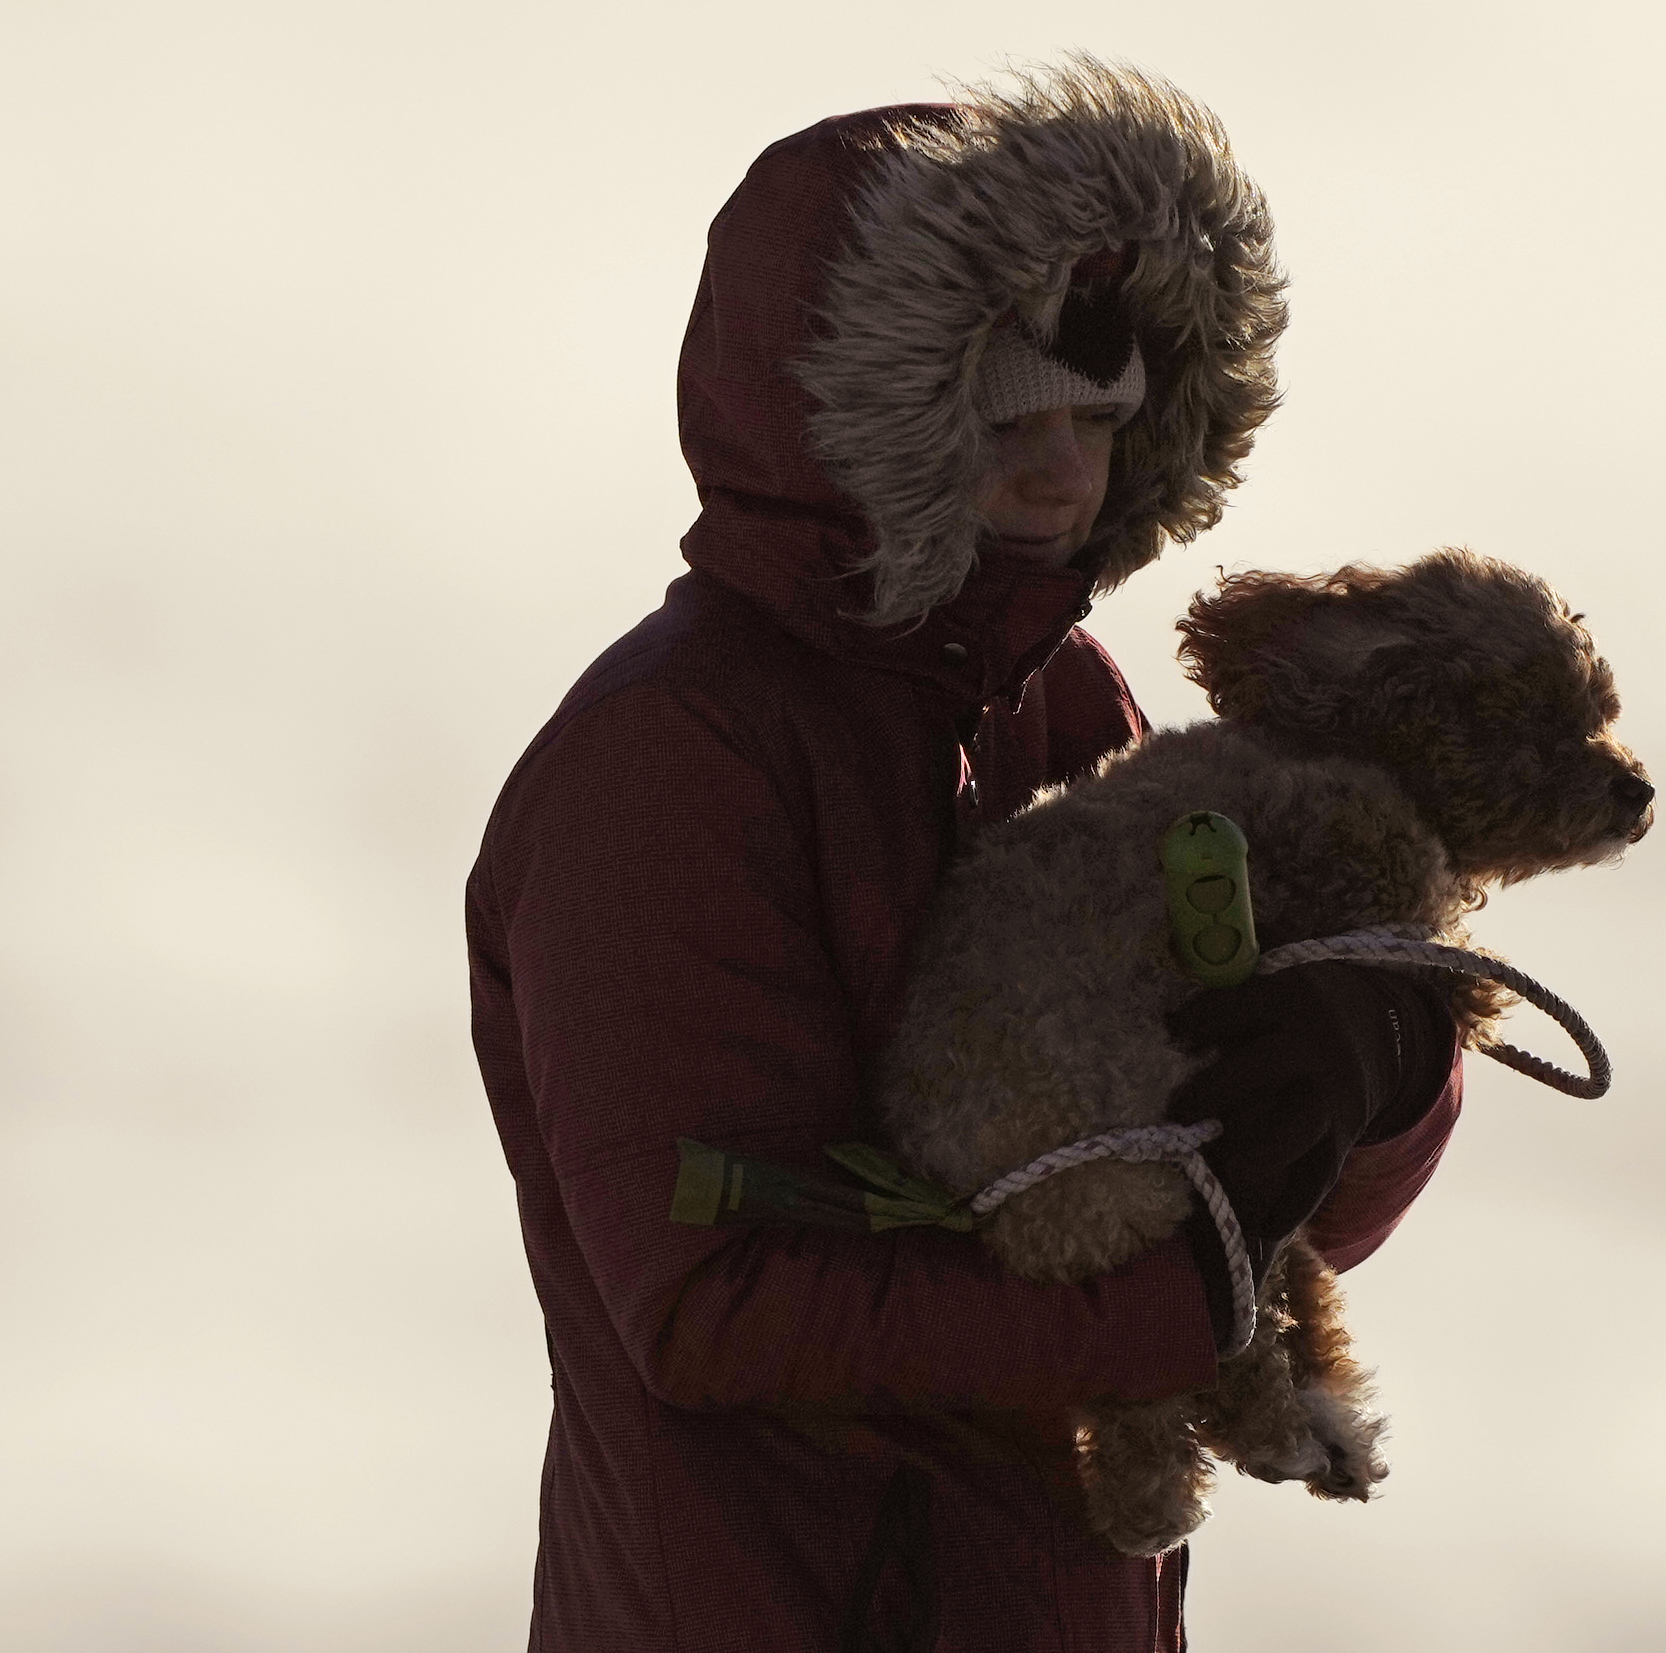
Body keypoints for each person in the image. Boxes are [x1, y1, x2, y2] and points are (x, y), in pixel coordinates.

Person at [465, 59, 1463, 1652]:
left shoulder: (1068, 703)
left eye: (1100, 416)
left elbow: (1278, 1213)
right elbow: (709, 1302)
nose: (1064, 469)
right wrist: (1171, 1306)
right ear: (863, 420)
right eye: (1005, 418)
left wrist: (1384, 1068)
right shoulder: (663, 762)